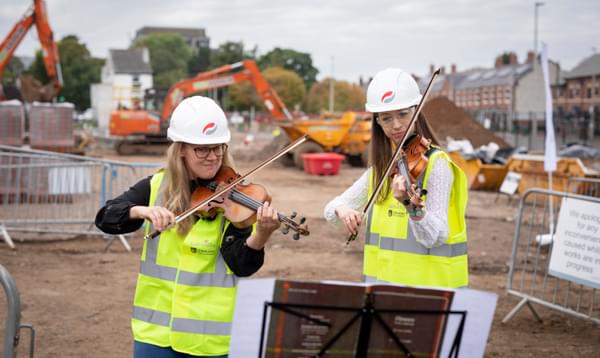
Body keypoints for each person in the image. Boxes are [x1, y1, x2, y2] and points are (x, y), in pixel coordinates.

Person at [95, 96, 280, 357]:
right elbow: (106, 218)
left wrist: (261, 235)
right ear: (181, 149)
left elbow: (241, 265)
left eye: (218, 149)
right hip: (155, 336)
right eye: (202, 149)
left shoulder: (232, 197)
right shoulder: (156, 186)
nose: (212, 157)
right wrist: (141, 210)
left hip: (207, 341)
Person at [324, 68, 469, 288]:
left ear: (416, 112)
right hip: (382, 288)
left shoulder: (436, 164)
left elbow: (436, 236)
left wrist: (410, 206)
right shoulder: (384, 167)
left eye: (403, 114)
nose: (396, 125)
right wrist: (343, 211)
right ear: (378, 123)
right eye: (387, 118)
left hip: (428, 289)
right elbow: (331, 210)